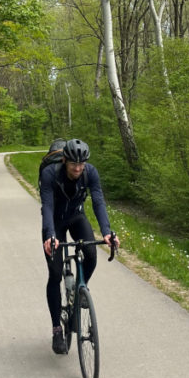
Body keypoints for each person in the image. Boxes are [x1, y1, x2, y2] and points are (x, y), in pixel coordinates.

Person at [40, 137, 119, 354]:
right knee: (55, 274)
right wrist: (50, 236)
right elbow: (46, 206)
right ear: (64, 160)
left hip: (76, 217)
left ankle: (79, 291)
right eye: (74, 164)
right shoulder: (50, 174)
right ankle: (57, 328)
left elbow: (98, 201)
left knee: (91, 254)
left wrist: (106, 232)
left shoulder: (90, 173)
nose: (77, 168)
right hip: (54, 221)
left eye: (81, 164)